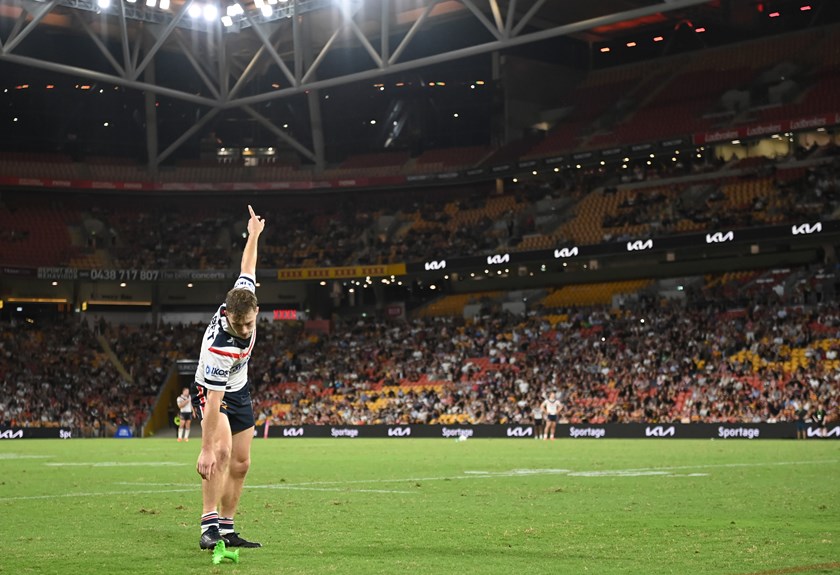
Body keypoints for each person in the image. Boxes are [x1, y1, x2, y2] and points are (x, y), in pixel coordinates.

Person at [191, 205, 265, 550]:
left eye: (250, 322)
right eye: (239, 324)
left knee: (242, 462)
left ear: (255, 309)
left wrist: (253, 234)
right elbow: (214, 403)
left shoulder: (244, 295)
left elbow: (247, 266)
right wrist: (204, 449)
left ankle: (228, 528)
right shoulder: (221, 347)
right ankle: (209, 526)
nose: (245, 329)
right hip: (212, 391)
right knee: (220, 453)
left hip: (240, 388)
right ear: (228, 315)